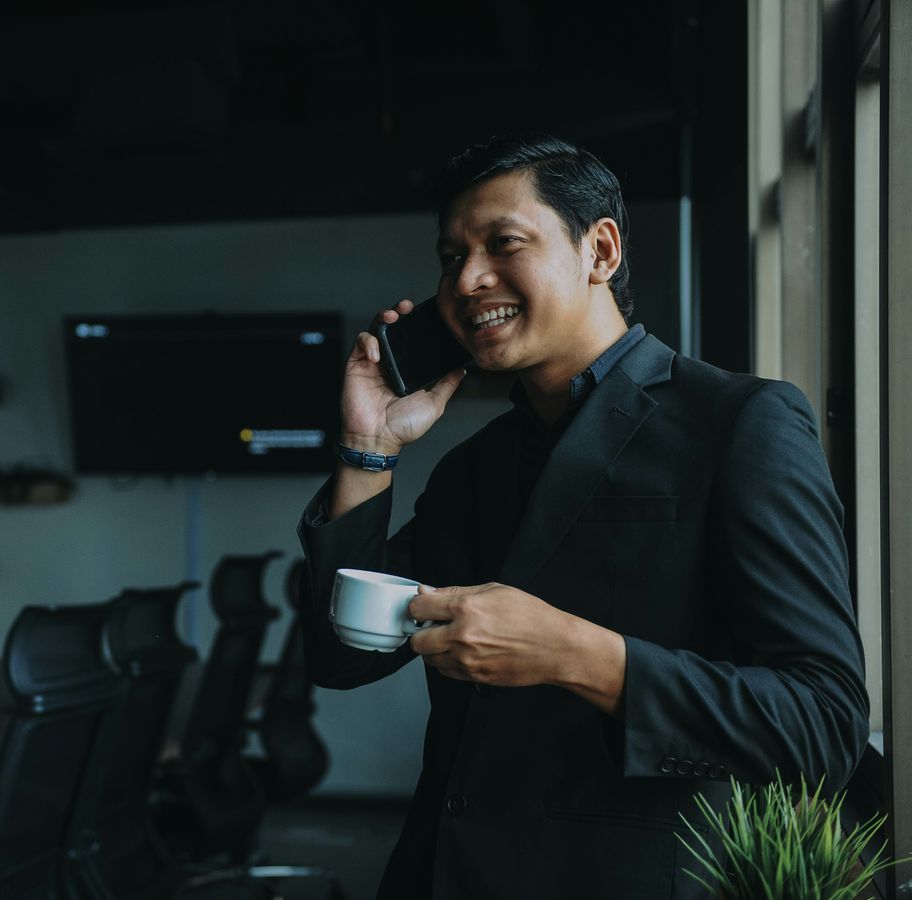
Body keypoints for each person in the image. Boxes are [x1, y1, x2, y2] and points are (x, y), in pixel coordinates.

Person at [296, 135, 869, 899]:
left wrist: (576, 653)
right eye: (449, 256)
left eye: (503, 243)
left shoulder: (739, 423)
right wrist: (368, 448)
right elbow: (342, 659)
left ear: (599, 250)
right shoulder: (474, 468)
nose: (467, 280)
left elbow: (822, 726)